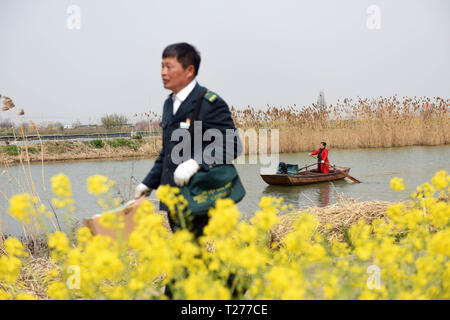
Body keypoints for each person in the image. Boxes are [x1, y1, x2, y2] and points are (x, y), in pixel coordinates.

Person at [134, 42, 241, 237]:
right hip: (174, 200)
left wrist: (196, 162)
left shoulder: (209, 103)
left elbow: (233, 144)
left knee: (194, 257)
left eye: (169, 66)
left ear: (189, 70)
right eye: (161, 66)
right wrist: (148, 183)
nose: (163, 72)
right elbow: (168, 152)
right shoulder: (169, 104)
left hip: (199, 198)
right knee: (187, 257)